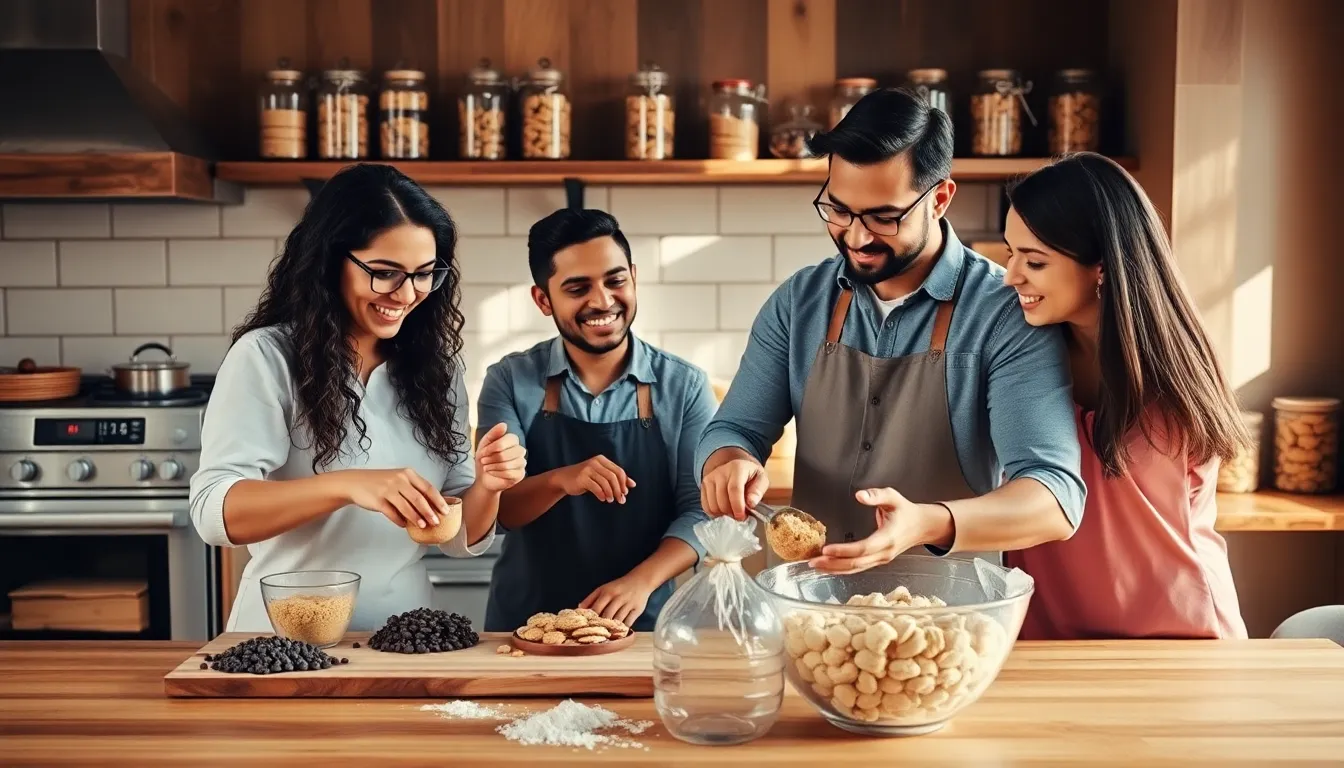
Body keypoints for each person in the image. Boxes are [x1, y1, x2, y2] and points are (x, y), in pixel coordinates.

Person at [695, 88, 1087, 573]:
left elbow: (1055, 497)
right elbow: (734, 429)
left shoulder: (1004, 314)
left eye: (884, 217)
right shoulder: (800, 302)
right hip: (811, 616)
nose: (857, 237)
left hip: (950, 625)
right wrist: (728, 462)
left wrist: (925, 523)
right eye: (838, 210)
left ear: (939, 198)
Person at [189, 163, 527, 632]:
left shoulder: (437, 371)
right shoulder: (267, 358)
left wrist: (488, 485)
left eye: (425, 274)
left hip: (407, 637)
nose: (408, 294)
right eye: (385, 272)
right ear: (331, 261)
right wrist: (349, 484)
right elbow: (214, 513)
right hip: (285, 640)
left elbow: (457, 534)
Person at [1000, 152, 1249, 639]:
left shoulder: (1176, 369)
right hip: (1047, 642)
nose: (1011, 276)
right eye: (1010, 253)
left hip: (1180, 639)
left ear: (1102, 266)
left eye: (1033, 261)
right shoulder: (1018, 355)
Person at [475, 208, 718, 631]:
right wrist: (559, 480)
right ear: (543, 300)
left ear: (634, 277)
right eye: (578, 288)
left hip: (643, 623)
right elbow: (499, 510)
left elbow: (701, 511)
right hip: (525, 626)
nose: (603, 301)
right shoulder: (510, 381)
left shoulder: (685, 386)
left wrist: (641, 582)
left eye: (615, 280)